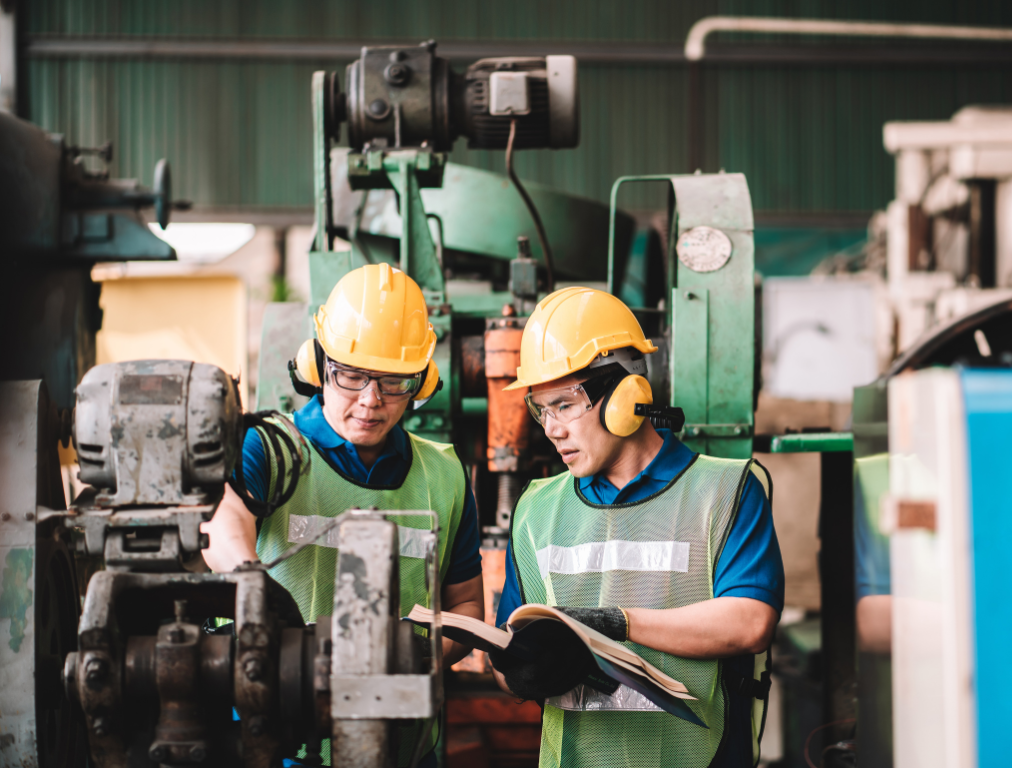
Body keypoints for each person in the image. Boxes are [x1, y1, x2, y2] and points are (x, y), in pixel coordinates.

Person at [203, 263, 484, 768]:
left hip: (403, 749)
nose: (370, 401)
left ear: (423, 381)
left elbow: (465, 608)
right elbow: (223, 525)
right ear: (317, 363)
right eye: (352, 375)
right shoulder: (268, 449)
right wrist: (255, 591)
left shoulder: (444, 476)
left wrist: (412, 665)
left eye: (395, 382)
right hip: (274, 745)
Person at [490, 286, 784, 768]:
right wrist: (518, 673)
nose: (551, 428)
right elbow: (509, 644)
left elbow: (751, 623)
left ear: (626, 395)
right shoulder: (535, 510)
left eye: (564, 404)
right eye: (540, 408)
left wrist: (614, 623)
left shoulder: (726, 490)